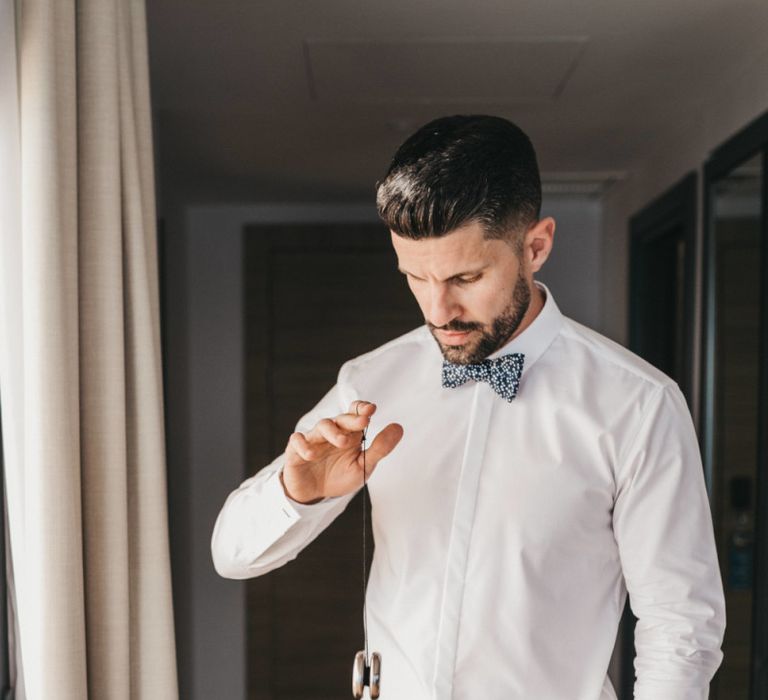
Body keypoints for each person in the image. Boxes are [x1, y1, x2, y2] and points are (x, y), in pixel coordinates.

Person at [211, 115, 725, 699]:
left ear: (536, 246)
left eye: (466, 277)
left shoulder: (639, 404)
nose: (438, 310)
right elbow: (232, 555)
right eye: (415, 277)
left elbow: (680, 626)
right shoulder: (371, 380)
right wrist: (296, 492)